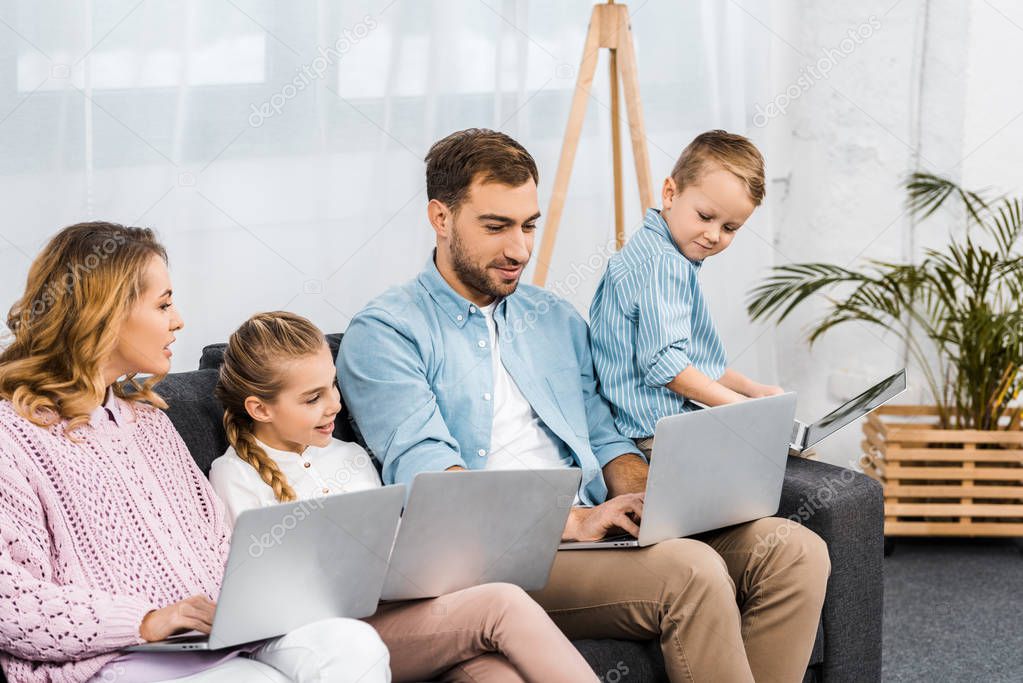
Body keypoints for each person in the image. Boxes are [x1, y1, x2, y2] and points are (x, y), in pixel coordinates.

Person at [338, 128, 831, 683]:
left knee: (793, 551)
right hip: (504, 557)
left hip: (598, 526)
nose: (519, 250)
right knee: (691, 573)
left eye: (529, 226)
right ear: (441, 218)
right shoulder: (385, 333)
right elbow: (436, 487)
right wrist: (573, 520)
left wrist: (652, 501)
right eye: (496, 226)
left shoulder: (554, 317)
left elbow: (603, 435)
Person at [0, 223, 389, 683]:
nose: (178, 319)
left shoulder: (147, 421)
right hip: (113, 656)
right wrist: (145, 621)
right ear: (104, 315)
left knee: (353, 645)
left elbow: (218, 544)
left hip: (215, 634)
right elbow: (11, 601)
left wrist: (251, 603)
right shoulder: (13, 436)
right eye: (163, 303)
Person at [209, 310, 597, 683]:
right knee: (503, 604)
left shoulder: (351, 456)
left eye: (333, 385)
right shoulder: (233, 476)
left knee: (500, 674)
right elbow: (253, 596)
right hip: (334, 638)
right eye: (312, 399)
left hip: (403, 612)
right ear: (260, 408)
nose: (334, 405)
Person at [589, 129, 783, 457]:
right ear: (670, 193)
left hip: (647, 424)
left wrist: (752, 391)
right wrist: (739, 407)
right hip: (653, 433)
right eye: (705, 216)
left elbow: (691, 361)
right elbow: (667, 366)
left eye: (729, 228)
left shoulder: (652, 247)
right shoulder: (665, 264)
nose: (713, 235)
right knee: (777, 456)